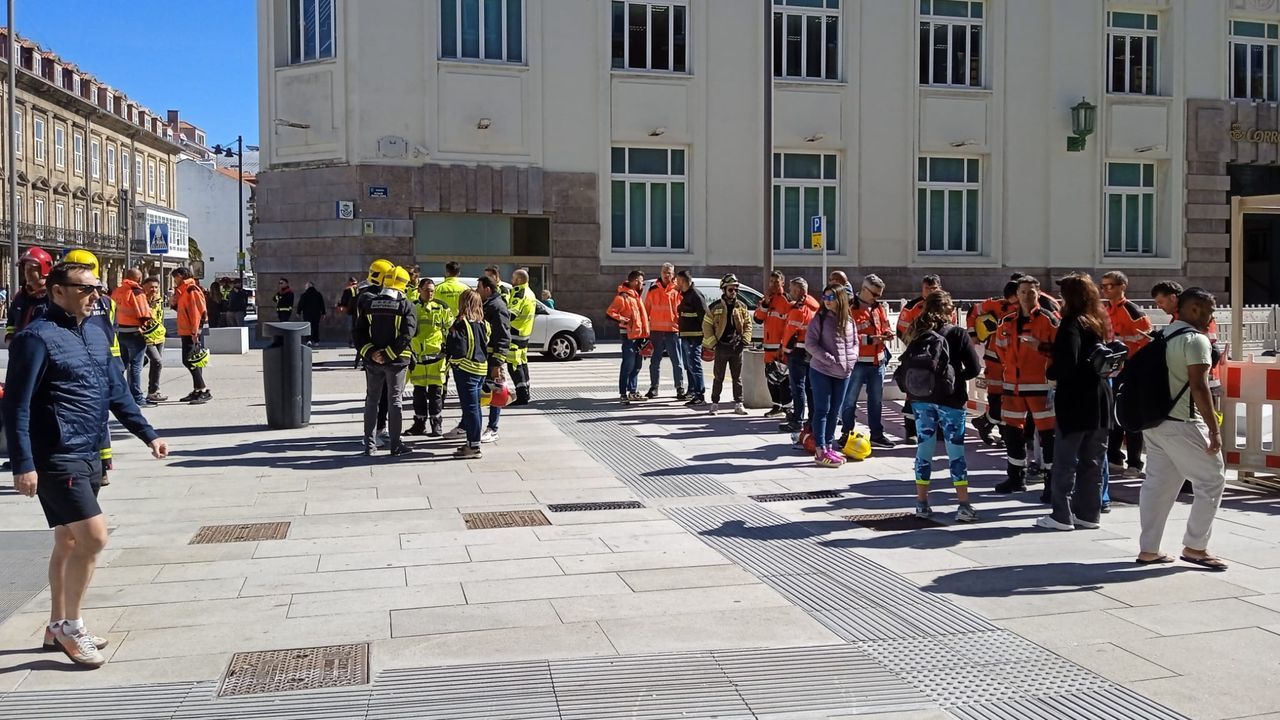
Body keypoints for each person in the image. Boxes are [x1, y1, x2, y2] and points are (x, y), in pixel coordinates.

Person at [3, 261, 168, 668]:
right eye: (86, 289)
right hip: (56, 454)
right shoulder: (35, 338)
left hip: (90, 448)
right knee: (94, 538)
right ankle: (71, 626)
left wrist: (147, 432)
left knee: (69, 541)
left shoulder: (97, 330)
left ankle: (56, 623)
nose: (97, 295)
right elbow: (16, 406)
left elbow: (115, 389)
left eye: (98, 287)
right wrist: (22, 463)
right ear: (57, 291)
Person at [1136, 287, 1228, 570]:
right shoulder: (1195, 340)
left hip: (1154, 422)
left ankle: (1149, 549)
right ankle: (1196, 546)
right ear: (1195, 309)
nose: (1212, 317)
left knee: (1158, 485)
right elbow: (1199, 387)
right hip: (1182, 422)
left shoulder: (1164, 335)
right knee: (1212, 479)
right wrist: (1214, 430)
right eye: (1210, 311)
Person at [1038, 274, 1112, 531]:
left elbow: (1068, 362)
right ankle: (1089, 514)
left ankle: (1061, 515)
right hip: (1100, 396)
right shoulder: (1097, 321)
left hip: (1075, 398)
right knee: (1093, 460)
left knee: (1066, 459)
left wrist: (1052, 370)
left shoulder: (1070, 323)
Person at [902, 290, 979, 522]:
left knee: (924, 450)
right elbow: (974, 368)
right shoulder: (957, 333)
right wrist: (954, 379)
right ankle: (964, 505)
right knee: (955, 452)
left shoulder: (917, 331)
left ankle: (921, 504)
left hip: (921, 398)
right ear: (949, 310)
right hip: (951, 400)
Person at [993, 275, 1059, 495]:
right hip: (1013, 386)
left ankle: (1051, 483)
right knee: (1012, 433)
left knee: (1048, 435)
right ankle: (1015, 477)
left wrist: (1040, 347)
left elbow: (1061, 350)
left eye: (1031, 292)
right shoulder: (1007, 320)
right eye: (1023, 292)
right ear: (1017, 294)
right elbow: (1001, 349)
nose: (1027, 296)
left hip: (1040, 386)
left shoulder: (1048, 319)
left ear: (1038, 293)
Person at [355, 266, 416, 457]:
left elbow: (358, 333)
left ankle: (369, 446)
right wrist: (389, 354)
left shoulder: (369, 303)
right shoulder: (406, 305)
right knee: (395, 401)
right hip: (397, 362)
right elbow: (408, 334)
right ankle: (396, 446)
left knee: (371, 401)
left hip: (373, 362)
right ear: (403, 285)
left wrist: (372, 352)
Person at [1100, 271, 1153, 480]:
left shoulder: (1133, 311)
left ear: (1123, 286)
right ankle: (1114, 457)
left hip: (1130, 369)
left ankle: (1134, 462)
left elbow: (1147, 342)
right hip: (1113, 369)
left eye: (1109, 286)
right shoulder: (1107, 310)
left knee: (1130, 416)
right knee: (1113, 415)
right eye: (1103, 286)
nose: (1105, 290)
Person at [806, 283, 858, 467]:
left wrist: (851, 361)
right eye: (825, 297)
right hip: (822, 370)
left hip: (843, 373)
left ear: (841, 299)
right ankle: (820, 449)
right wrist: (828, 358)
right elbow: (810, 344)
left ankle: (829, 445)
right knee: (822, 409)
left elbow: (855, 343)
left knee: (835, 411)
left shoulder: (849, 320)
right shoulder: (819, 319)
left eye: (831, 297)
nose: (827, 301)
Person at [841, 274, 895, 449]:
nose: (877, 298)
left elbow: (885, 324)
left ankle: (877, 435)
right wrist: (872, 339)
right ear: (864, 290)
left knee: (876, 400)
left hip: (877, 361)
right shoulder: (850, 308)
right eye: (875, 294)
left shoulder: (878, 307)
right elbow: (848, 336)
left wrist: (887, 333)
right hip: (857, 362)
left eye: (879, 294)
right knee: (849, 400)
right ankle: (847, 433)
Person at [966, 282, 1016, 447]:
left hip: (1014, 361)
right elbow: (973, 311)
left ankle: (985, 423)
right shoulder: (997, 304)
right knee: (997, 398)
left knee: (1009, 399)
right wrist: (973, 334)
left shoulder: (1032, 308)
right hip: (995, 359)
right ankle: (1002, 433)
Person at [895, 274, 943, 443]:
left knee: (938, 391)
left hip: (938, 356)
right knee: (913, 392)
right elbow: (901, 330)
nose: (930, 291)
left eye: (934, 288)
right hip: (916, 355)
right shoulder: (912, 307)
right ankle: (911, 431)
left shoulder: (944, 305)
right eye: (927, 288)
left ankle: (938, 430)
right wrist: (916, 346)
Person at [406, 278, 454, 437]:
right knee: (418, 393)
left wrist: (449, 349)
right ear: (419, 290)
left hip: (437, 359)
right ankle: (419, 424)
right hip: (418, 359)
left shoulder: (442, 307)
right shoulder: (412, 306)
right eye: (426, 290)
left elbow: (451, 329)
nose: (430, 293)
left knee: (435, 394)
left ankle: (436, 425)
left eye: (432, 290)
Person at [446, 289, 489, 459]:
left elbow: (458, 349)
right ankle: (473, 443)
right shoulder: (482, 323)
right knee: (476, 408)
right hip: (480, 369)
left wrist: (453, 362)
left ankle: (473, 446)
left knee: (470, 409)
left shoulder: (460, 323)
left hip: (466, 370)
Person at [703, 273, 753, 416]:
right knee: (718, 377)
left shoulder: (741, 306)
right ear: (724, 290)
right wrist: (713, 343)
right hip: (721, 346)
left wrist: (745, 340)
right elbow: (707, 325)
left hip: (736, 347)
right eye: (731, 289)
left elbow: (748, 324)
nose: (734, 292)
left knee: (737, 377)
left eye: (736, 290)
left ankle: (739, 403)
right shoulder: (715, 307)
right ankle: (714, 404)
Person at [110, 268, 156, 408]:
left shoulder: (117, 291)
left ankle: (115, 393)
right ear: (139, 279)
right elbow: (143, 314)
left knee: (121, 365)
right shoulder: (137, 292)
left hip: (120, 332)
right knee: (135, 366)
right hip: (135, 332)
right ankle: (137, 397)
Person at [779, 277, 819, 434]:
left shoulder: (797, 310)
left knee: (798, 388)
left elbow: (790, 335)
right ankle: (812, 419)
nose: (789, 292)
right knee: (811, 388)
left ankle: (797, 421)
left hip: (797, 353)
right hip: (812, 352)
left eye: (791, 289)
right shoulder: (814, 308)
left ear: (798, 291)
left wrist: (784, 352)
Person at [476, 275, 512, 443]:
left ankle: (493, 428)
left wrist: (497, 363)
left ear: (488, 290)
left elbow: (504, 337)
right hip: (482, 358)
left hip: (492, 360)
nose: (477, 291)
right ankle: (465, 425)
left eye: (479, 288)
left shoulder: (497, 307)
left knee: (496, 393)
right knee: (481, 392)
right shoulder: (486, 304)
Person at [168, 267, 211, 404]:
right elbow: (182, 309)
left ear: (182, 276)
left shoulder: (191, 290)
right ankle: (198, 389)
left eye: (176, 277)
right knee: (193, 360)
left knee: (189, 360)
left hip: (191, 331)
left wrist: (196, 331)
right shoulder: (184, 291)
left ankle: (203, 389)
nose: (174, 280)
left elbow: (197, 311)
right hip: (187, 330)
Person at [607, 270, 650, 404]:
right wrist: (623, 320)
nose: (642, 283)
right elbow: (610, 312)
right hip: (628, 336)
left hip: (638, 336)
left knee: (637, 365)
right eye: (641, 281)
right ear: (635, 281)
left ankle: (633, 391)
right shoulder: (623, 297)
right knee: (628, 364)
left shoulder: (636, 296)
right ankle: (623, 393)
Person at [644, 263, 686, 400]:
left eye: (669, 272)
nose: (666, 275)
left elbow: (682, 311)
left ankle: (679, 387)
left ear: (673, 274)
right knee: (655, 361)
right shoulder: (653, 290)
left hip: (672, 331)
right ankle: (654, 387)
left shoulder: (677, 291)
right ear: (660, 273)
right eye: (664, 272)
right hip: (656, 331)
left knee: (676, 361)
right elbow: (646, 311)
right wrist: (645, 332)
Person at [756, 270, 793, 418]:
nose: (773, 285)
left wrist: (783, 346)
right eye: (771, 282)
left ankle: (787, 407)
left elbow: (789, 325)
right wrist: (765, 303)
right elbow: (758, 318)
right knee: (771, 378)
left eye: (776, 282)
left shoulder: (785, 300)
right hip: (768, 347)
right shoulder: (767, 299)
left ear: (782, 283)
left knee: (783, 378)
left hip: (779, 347)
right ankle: (776, 406)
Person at [6, 246, 53, 342]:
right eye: (25, 269)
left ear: (44, 270)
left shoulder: (54, 296)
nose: (27, 273)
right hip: (21, 350)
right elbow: (11, 320)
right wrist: (10, 336)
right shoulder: (20, 296)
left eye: (32, 269)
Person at [675, 271, 708, 407]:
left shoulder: (695, 295)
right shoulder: (685, 295)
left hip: (694, 337)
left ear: (683, 281)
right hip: (686, 336)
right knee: (690, 366)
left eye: (678, 281)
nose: (677, 284)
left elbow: (705, 317)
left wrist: (706, 337)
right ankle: (694, 392)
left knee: (695, 366)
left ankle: (700, 395)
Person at [506, 269, 537, 406]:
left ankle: (522, 395)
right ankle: (526, 392)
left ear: (518, 280)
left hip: (515, 333)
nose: (512, 279)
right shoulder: (530, 292)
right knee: (522, 364)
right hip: (524, 333)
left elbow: (511, 315)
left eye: (513, 277)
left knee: (514, 365)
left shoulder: (519, 293)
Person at [141, 276, 167, 403]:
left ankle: (153, 391)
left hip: (159, 336)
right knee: (157, 361)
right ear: (144, 287)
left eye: (156, 287)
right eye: (151, 287)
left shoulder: (159, 300)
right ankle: (153, 391)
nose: (154, 289)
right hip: (146, 336)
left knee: (156, 364)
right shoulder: (140, 300)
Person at [297, 281, 327, 347]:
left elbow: (300, 304)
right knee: (316, 327)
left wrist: (298, 312)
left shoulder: (304, 295)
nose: (305, 287)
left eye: (306, 286)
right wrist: (323, 313)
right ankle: (316, 341)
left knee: (308, 327)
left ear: (309, 286)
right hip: (316, 314)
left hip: (307, 314)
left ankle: (308, 340)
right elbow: (322, 304)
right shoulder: (318, 294)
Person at [337, 276, 360, 344]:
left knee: (351, 327)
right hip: (361, 311)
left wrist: (340, 305)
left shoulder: (347, 290)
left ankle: (352, 342)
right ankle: (359, 341)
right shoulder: (361, 289)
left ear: (350, 282)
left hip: (351, 312)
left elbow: (344, 301)